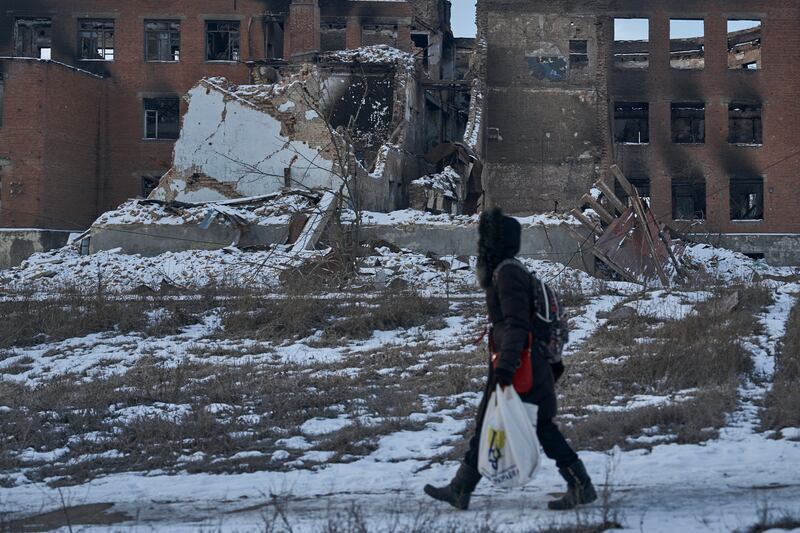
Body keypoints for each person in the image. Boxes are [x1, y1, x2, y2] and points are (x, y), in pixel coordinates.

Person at [424, 207, 597, 511]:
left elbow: (517, 324)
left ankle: (581, 486)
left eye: (486, 239)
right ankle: (460, 488)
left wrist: (504, 367)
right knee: (493, 423)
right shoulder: (509, 269)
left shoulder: (507, 273)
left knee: (538, 425)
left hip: (521, 365)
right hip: (524, 362)